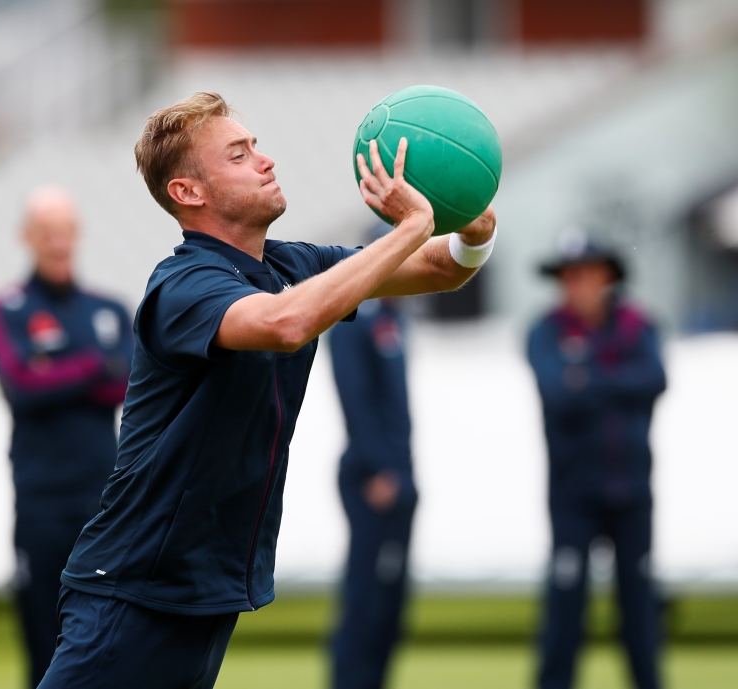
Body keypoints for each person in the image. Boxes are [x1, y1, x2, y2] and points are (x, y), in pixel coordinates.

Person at [38, 92, 497, 689]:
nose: (265, 160)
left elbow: (443, 268)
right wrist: (411, 226)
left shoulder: (291, 267)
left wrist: (474, 223)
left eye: (255, 145)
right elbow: (284, 325)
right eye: (238, 154)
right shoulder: (183, 285)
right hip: (135, 588)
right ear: (188, 193)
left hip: (201, 589)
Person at [0, 187, 133, 689]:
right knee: (44, 644)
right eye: (46, 232)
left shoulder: (110, 308)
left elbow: (129, 384)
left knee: (112, 641)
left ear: (77, 234)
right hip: (41, 501)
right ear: (27, 237)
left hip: (103, 502)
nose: (57, 242)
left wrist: (59, 368)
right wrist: (93, 363)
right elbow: (22, 386)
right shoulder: (7, 309)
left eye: (64, 230)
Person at [526, 232, 667, 689]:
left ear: (608, 276)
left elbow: (655, 379)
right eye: (569, 275)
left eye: (586, 273)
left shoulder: (637, 324)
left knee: (640, 609)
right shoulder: (545, 330)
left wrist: (587, 376)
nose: (577, 283)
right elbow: (558, 393)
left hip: (632, 490)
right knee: (565, 606)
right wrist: (615, 380)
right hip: (573, 493)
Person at [329, 224, 416, 689]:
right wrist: (380, 467)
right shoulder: (355, 317)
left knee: (391, 600)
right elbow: (356, 399)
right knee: (365, 598)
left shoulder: (394, 320)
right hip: (372, 478)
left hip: (400, 477)